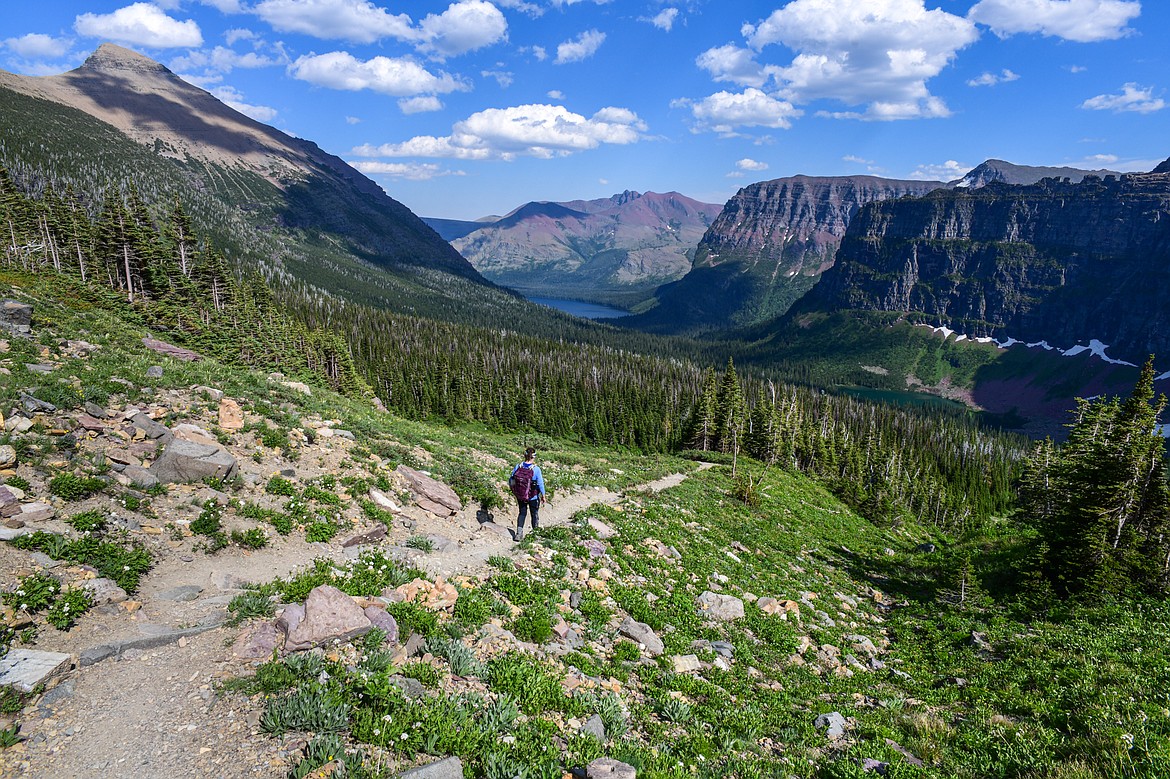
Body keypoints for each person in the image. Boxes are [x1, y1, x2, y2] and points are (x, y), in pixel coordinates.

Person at [509, 447, 545, 541]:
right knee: (534, 514)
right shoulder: (536, 469)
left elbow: (511, 479)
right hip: (533, 496)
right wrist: (543, 495)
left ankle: (519, 534)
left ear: (524, 455)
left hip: (521, 495)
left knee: (522, 513)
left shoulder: (518, 466)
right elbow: (540, 483)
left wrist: (515, 491)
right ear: (534, 457)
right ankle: (535, 534)